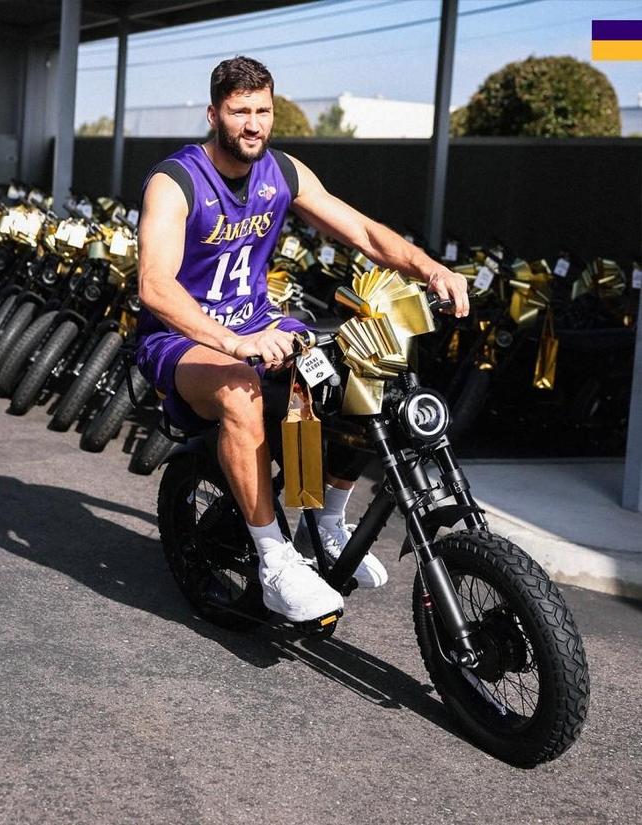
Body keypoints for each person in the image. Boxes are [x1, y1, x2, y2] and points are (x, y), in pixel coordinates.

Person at [137, 56, 469, 624]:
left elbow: (363, 232)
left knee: (365, 365)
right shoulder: (177, 181)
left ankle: (327, 522)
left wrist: (430, 268)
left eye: (263, 111)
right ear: (213, 114)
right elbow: (154, 286)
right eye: (240, 111)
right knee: (240, 389)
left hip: (259, 324)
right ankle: (275, 562)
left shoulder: (283, 172)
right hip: (179, 339)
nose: (253, 124)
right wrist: (231, 343)